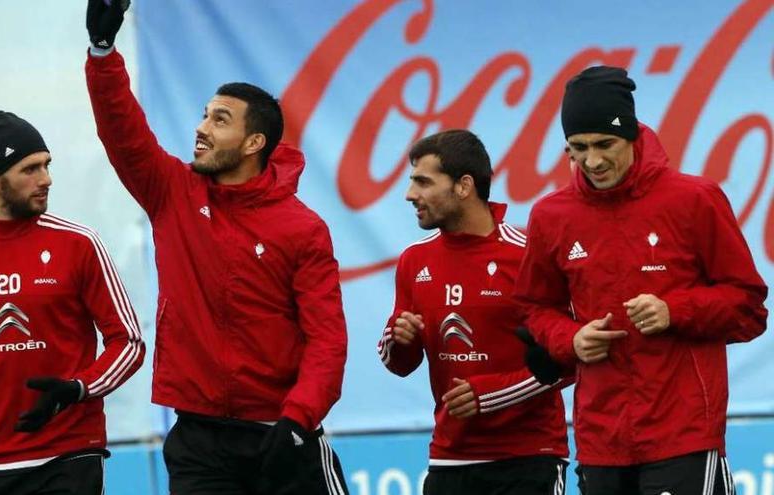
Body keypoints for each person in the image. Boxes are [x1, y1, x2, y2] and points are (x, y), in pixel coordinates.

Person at [83, 2, 350, 494]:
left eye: (219, 120)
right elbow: (123, 133)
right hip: (199, 443)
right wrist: (103, 53)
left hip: (284, 433)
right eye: (204, 115)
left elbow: (327, 341)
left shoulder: (302, 228)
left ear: (253, 143)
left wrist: (298, 418)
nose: (201, 127)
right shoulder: (172, 193)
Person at [514, 66, 768, 494]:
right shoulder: (550, 215)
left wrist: (675, 310)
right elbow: (534, 309)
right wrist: (570, 340)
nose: (592, 161)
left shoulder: (694, 199)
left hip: (683, 434)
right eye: (577, 148)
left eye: (604, 144)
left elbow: (749, 307)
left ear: (631, 135)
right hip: (600, 439)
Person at [0, 110, 145, 495]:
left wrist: (77, 388)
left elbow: (129, 343)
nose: (46, 179)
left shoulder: (79, 244)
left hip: (69, 457)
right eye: (30, 169)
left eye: (47, 165)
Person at [378, 129, 570, 495]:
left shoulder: (529, 254)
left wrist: (490, 394)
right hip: (449, 458)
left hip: (528, 457)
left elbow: (570, 357)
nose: (410, 194)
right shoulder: (414, 260)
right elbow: (399, 364)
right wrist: (398, 338)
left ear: (464, 186)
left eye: (422, 181)